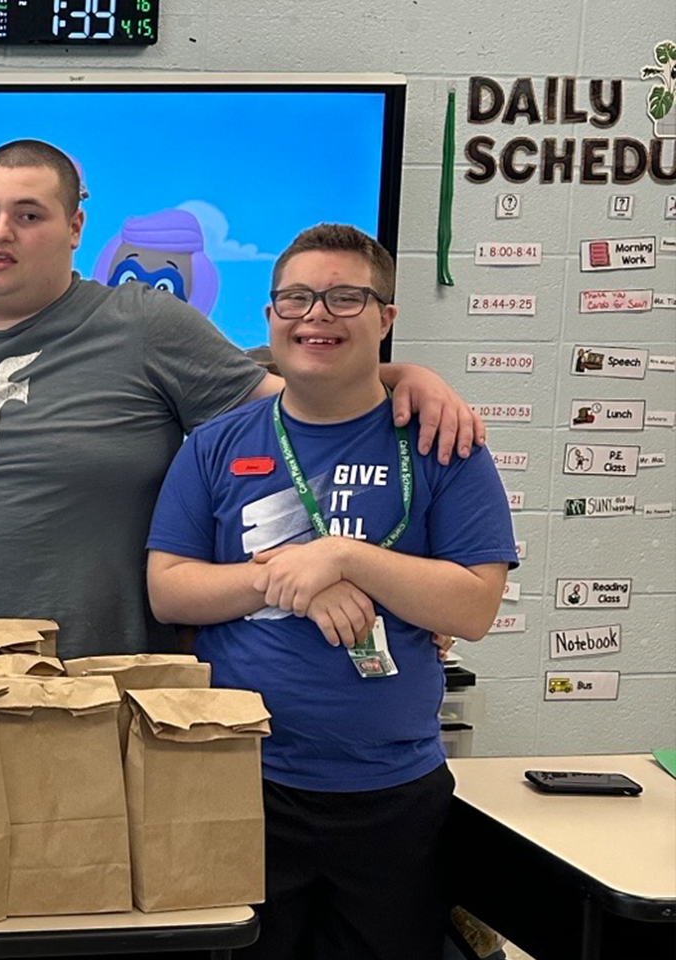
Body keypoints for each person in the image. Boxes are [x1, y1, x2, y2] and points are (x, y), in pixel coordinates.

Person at [0, 139, 485, 656]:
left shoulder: (143, 322)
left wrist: (401, 377)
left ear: (76, 226)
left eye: (29, 216)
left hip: (95, 672)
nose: (1, 234)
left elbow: (305, 411)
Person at [146, 224, 515, 960]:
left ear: (385, 318)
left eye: (346, 298)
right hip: (242, 782)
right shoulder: (216, 444)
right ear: (271, 314)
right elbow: (169, 591)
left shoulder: (442, 442)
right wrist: (283, 580)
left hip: (392, 795)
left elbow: (473, 607)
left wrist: (344, 557)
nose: (317, 316)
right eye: (297, 298)